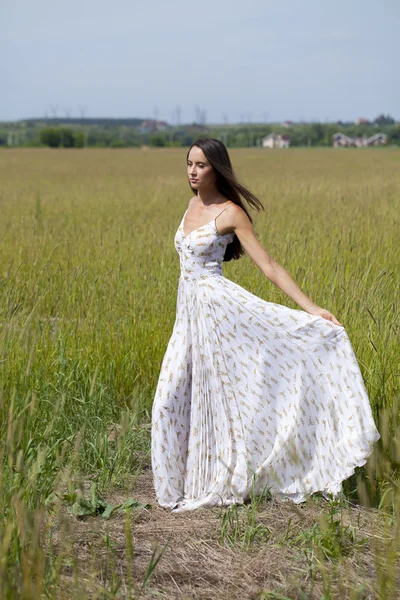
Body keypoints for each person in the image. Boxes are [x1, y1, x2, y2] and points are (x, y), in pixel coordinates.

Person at [151, 137, 380, 514]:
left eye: (201, 165)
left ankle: (233, 471)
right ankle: (179, 485)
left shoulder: (231, 213)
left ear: (217, 169)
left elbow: (269, 265)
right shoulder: (191, 205)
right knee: (169, 397)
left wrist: (311, 308)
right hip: (188, 316)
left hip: (219, 311)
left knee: (229, 391)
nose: (193, 172)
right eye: (189, 164)